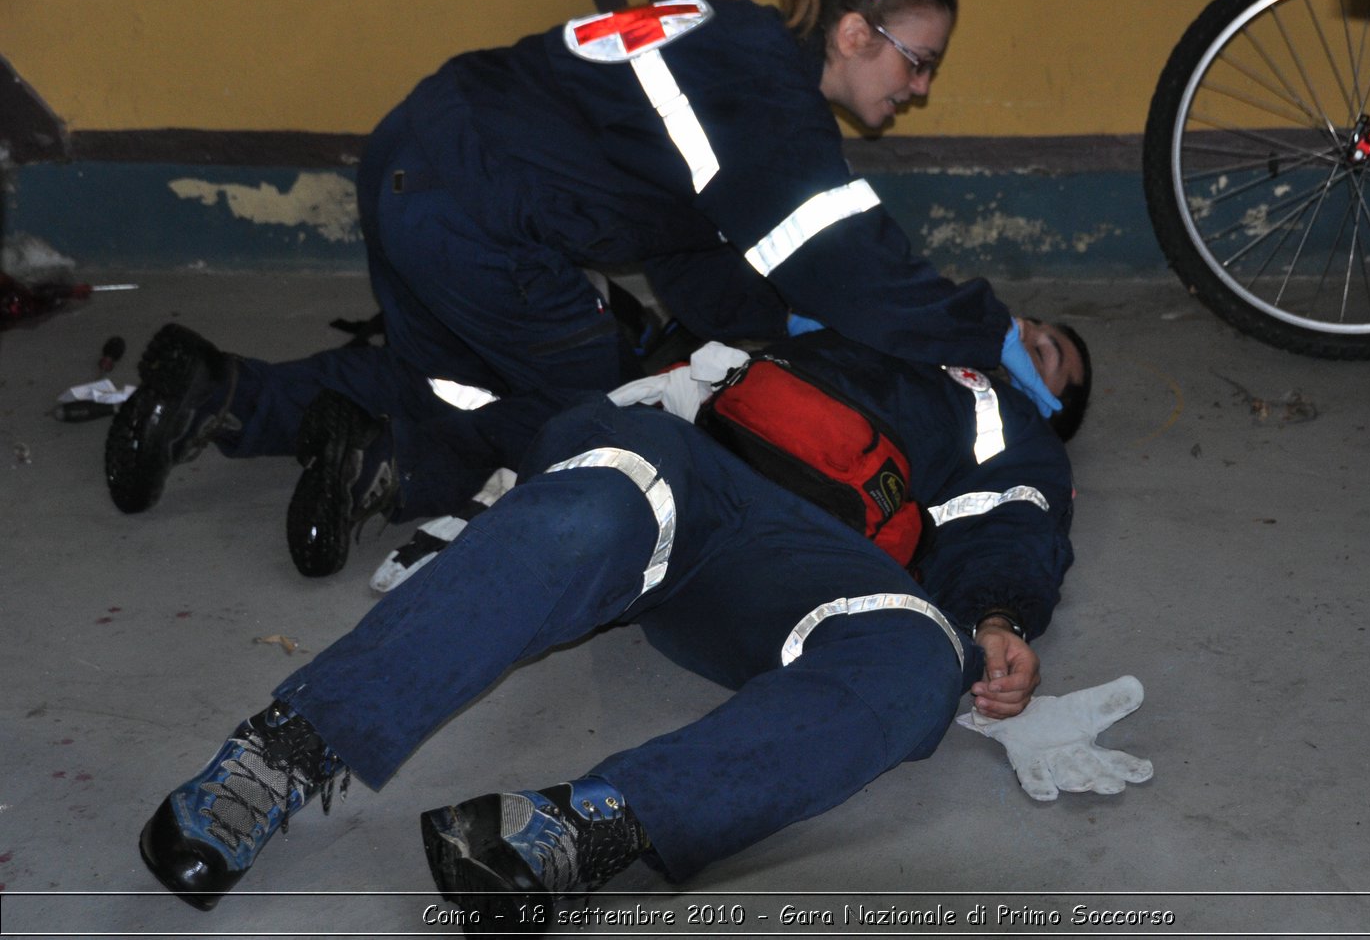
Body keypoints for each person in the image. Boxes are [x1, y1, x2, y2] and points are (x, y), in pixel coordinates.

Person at [103, 0, 1064, 577]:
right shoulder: (768, 101)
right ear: (857, 31)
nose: (923, 88)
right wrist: (988, 332)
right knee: (609, 427)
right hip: (484, 213)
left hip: (413, 155)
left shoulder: (731, 41)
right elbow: (851, 259)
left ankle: (219, 391)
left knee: (455, 382)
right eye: (920, 61)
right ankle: (383, 466)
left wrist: (776, 327)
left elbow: (686, 244)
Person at [136, 320, 1091, 927]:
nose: (1030, 334)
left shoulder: (999, 413)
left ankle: (583, 828)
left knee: (922, 656)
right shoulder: (854, 317)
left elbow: (1014, 518)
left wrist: (997, 616)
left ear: (1055, 398)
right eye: (1038, 329)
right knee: (589, 511)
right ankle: (283, 753)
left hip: (799, 562)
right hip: (678, 454)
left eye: (1052, 353)